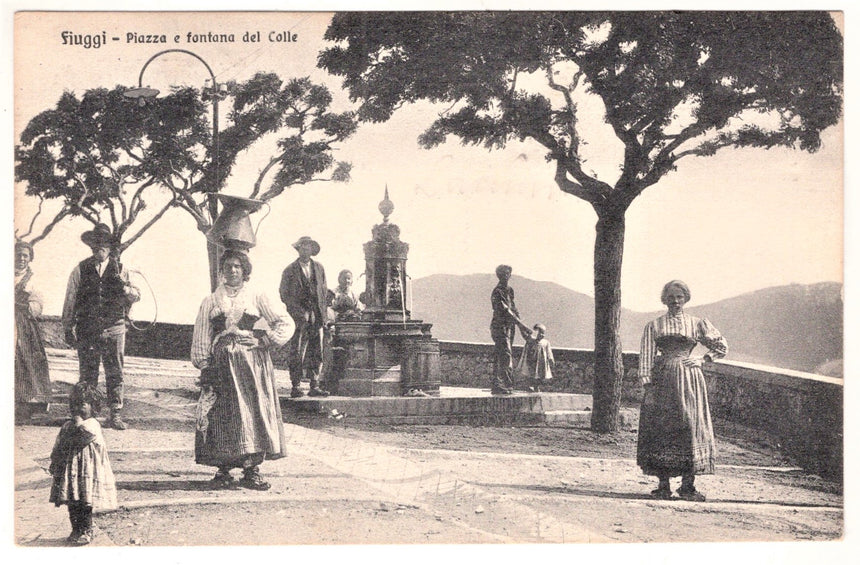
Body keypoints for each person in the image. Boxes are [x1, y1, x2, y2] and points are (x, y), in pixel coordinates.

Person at [191, 249, 295, 491]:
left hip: (252, 366)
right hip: (222, 368)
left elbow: (286, 321)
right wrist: (205, 366)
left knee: (253, 411)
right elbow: (201, 337)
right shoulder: (211, 301)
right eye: (228, 266)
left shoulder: (257, 296)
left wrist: (265, 340)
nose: (232, 270)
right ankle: (223, 470)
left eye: (237, 266)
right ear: (222, 271)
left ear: (245, 270)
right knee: (222, 414)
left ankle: (251, 470)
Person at [636, 280, 728, 502]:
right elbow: (646, 358)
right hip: (663, 380)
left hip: (689, 380)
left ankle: (688, 486)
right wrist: (648, 386)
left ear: (686, 298)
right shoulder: (654, 325)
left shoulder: (696, 324)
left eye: (679, 297)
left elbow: (721, 346)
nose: (675, 301)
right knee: (663, 427)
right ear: (664, 299)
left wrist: (702, 359)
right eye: (671, 297)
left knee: (690, 425)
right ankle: (663, 485)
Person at [61, 224, 140, 430]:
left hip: (114, 328)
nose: (99, 248)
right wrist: (68, 327)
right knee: (88, 372)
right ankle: (87, 413)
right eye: (96, 244)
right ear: (91, 246)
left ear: (110, 246)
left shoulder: (122, 269)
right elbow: (70, 299)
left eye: (103, 243)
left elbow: (136, 295)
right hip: (88, 329)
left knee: (115, 371)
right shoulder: (80, 269)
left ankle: (115, 413)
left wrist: (125, 288)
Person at [49, 382, 117, 545]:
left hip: (87, 472)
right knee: (72, 502)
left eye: (82, 405)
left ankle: (87, 529)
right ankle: (75, 528)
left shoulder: (92, 424)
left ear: (93, 407)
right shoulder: (67, 425)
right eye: (74, 405)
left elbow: (84, 434)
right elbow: (59, 444)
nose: (77, 409)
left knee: (85, 502)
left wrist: (78, 422)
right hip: (69, 471)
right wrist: (55, 460)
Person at [280, 236, 330, 398]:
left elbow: (323, 292)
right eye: (303, 247)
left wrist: (321, 314)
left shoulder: (319, 268)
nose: (305, 250)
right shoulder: (290, 270)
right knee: (297, 350)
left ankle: (314, 385)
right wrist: (297, 311)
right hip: (298, 316)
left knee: (317, 350)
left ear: (312, 250)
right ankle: (295, 386)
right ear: (298, 249)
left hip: (317, 315)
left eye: (308, 248)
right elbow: (283, 293)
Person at [14, 240, 52, 423]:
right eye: (18, 255)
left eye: (25, 256)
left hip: (23, 326)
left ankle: (24, 404)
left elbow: (37, 306)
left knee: (24, 361)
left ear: (30, 259)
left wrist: (23, 305)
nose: (21, 259)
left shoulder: (33, 280)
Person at [490, 264, 530, 395]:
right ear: (499, 275)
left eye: (508, 274)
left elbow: (513, 308)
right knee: (504, 354)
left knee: (503, 354)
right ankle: (500, 384)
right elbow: (506, 311)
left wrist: (521, 327)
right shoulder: (497, 292)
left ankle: (503, 384)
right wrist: (522, 325)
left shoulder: (509, 290)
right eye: (503, 274)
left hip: (509, 327)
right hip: (499, 327)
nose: (506, 276)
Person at [516, 323, 555, 392]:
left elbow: (549, 352)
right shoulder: (531, 340)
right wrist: (521, 327)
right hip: (531, 360)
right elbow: (524, 334)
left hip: (541, 362)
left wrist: (550, 359)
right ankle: (529, 385)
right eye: (539, 332)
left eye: (543, 333)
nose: (541, 335)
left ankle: (536, 386)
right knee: (531, 373)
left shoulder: (545, 342)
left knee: (540, 374)